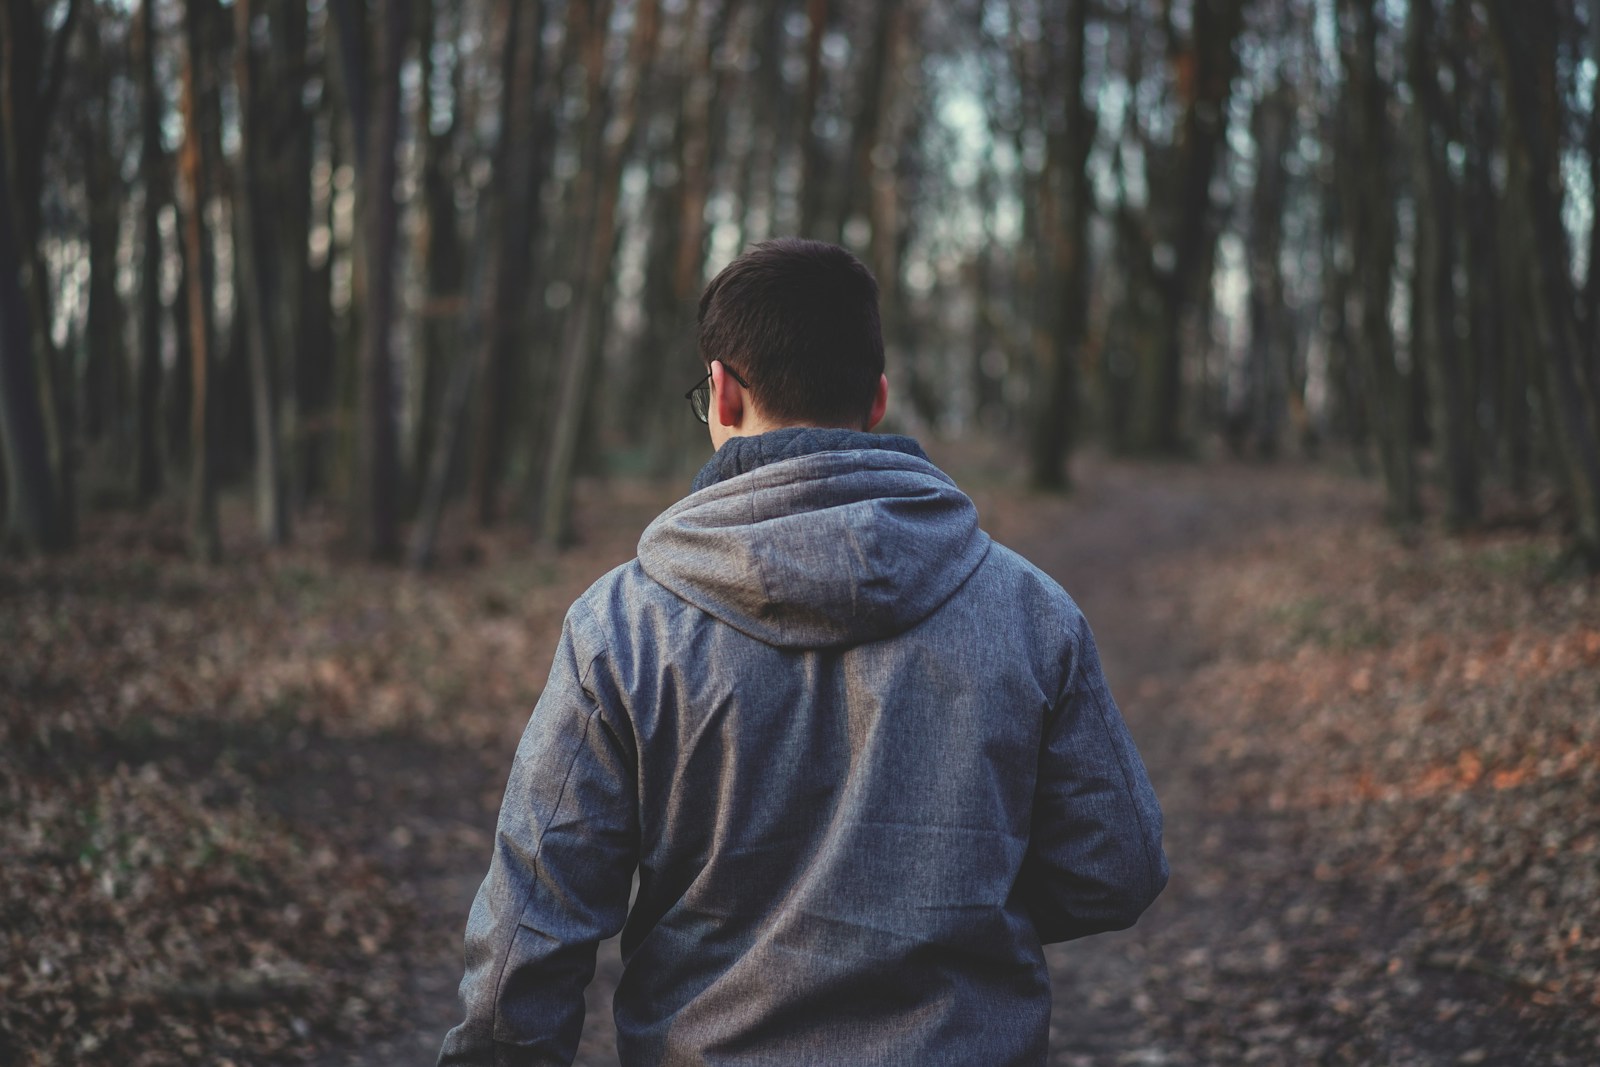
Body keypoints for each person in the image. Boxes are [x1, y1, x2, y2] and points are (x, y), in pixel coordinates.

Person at [437, 238, 1168, 1066]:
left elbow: (528, 941)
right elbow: (1117, 863)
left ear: (722, 390)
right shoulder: (1030, 611)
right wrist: (951, 890)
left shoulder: (622, 629)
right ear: (878, 398)